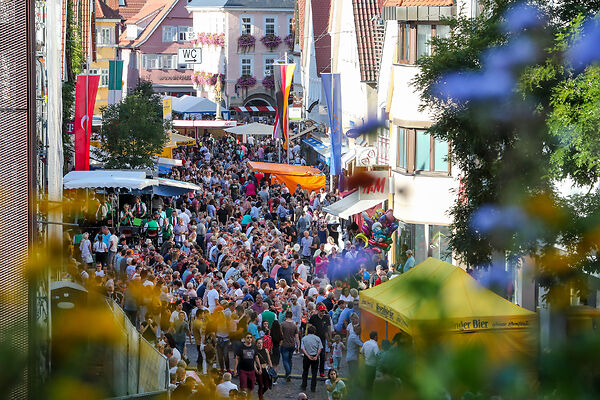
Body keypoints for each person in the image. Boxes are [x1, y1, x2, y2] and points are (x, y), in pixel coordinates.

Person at [308, 303, 331, 377]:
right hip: (315, 338)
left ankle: (321, 371)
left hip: (323, 338)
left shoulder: (326, 318)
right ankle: (314, 370)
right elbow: (309, 326)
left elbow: (328, 329)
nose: (322, 312)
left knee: (322, 354)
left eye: (323, 311)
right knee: (314, 354)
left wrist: (330, 339)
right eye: (321, 311)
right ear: (318, 311)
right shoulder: (314, 317)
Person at [301, 325, 323, 393]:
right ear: (314, 331)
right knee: (314, 373)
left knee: (305, 371)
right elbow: (320, 348)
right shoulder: (317, 338)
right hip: (314, 356)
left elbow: (302, 348)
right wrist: (316, 356)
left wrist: (307, 355)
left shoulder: (304, 338)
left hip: (307, 357)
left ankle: (304, 385)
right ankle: (313, 387)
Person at [281, 310, 299, 381]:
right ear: (291, 316)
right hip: (292, 344)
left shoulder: (283, 324)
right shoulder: (294, 325)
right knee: (290, 360)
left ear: (286, 316)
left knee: (285, 360)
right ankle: (289, 373)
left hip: (284, 344)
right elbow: (297, 337)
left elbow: (281, 335)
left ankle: (288, 373)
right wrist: (298, 345)